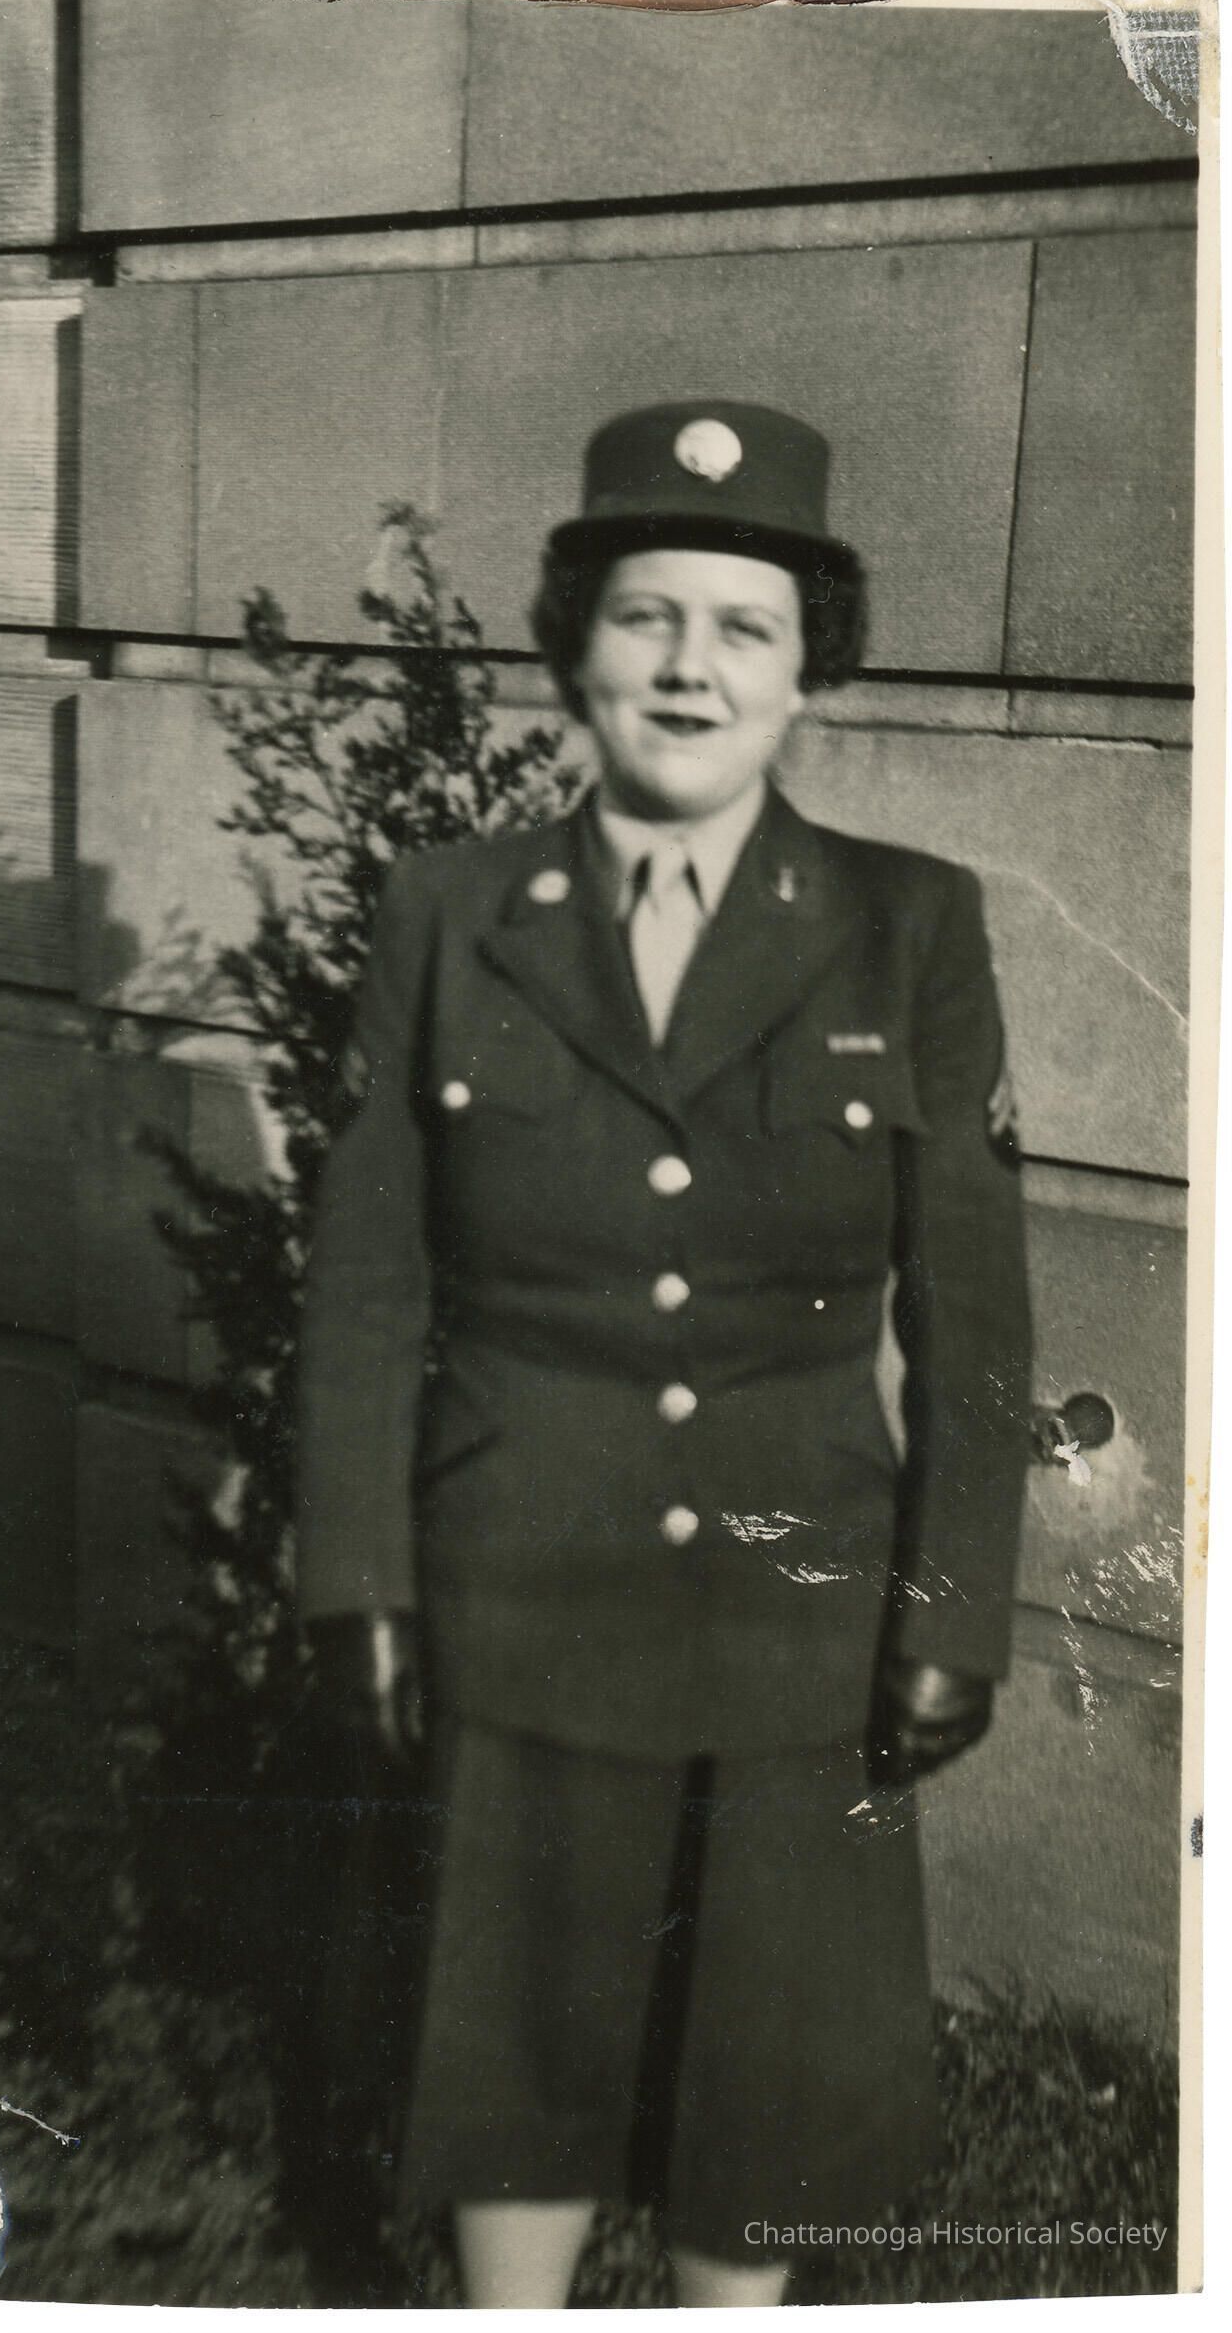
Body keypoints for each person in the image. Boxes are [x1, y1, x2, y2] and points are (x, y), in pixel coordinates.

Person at [294, 401, 1033, 2307]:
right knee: (515, 2036)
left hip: (800, 1609)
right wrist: (359, 1577)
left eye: (745, 627)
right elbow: (368, 1283)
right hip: (522, 1574)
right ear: (576, 646)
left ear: (807, 669)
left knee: (766, 2069)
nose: (691, 667)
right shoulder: (452, 914)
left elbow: (971, 1313)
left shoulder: (907, 927)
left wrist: (954, 1609)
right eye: (646, 616)